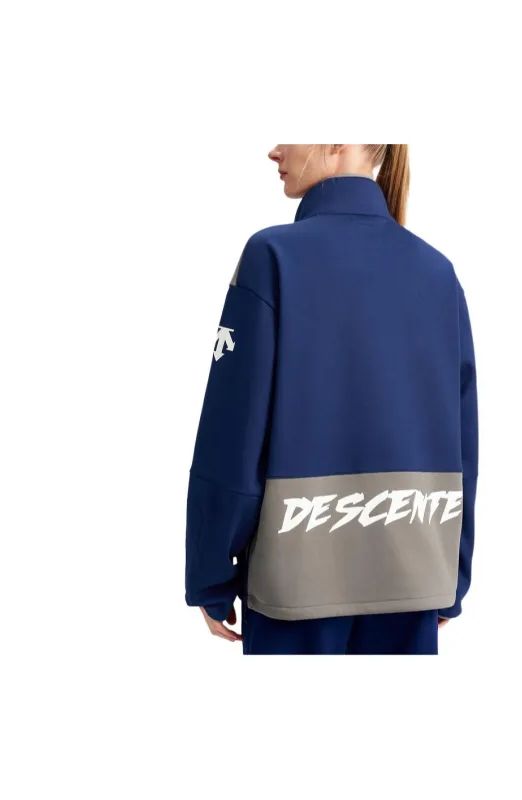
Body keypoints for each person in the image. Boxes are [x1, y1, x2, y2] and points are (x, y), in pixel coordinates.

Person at [185, 145, 478, 655]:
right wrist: (452, 578)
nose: (275, 149)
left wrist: (210, 573)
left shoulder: (272, 258)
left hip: (295, 591)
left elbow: (232, 438)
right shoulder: (439, 274)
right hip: (414, 580)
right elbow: (463, 448)